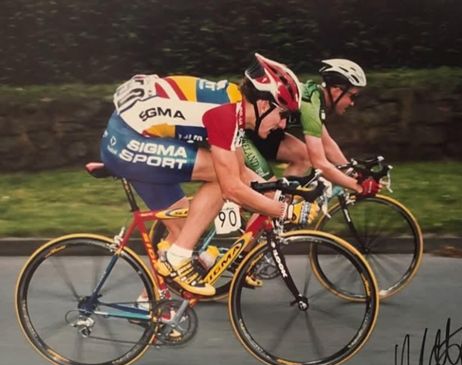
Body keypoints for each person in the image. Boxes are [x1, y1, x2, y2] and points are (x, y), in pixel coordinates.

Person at [100, 53, 313, 297]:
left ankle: (150, 303)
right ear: (264, 105)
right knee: (219, 178)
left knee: (184, 230)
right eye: (283, 115)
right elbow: (232, 187)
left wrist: (281, 193)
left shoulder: (235, 107)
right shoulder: (225, 114)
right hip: (127, 141)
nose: (283, 125)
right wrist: (284, 210)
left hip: (135, 134)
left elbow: (243, 173)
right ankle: (177, 258)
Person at [242, 58, 380, 196]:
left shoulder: (314, 98)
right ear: (337, 90)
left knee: (303, 158)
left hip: (265, 131)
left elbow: (327, 144)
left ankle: (285, 202)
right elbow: (319, 163)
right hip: (246, 132)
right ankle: (276, 204)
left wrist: (354, 173)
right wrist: (357, 186)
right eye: (353, 96)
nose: (352, 103)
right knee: (272, 195)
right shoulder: (310, 106)